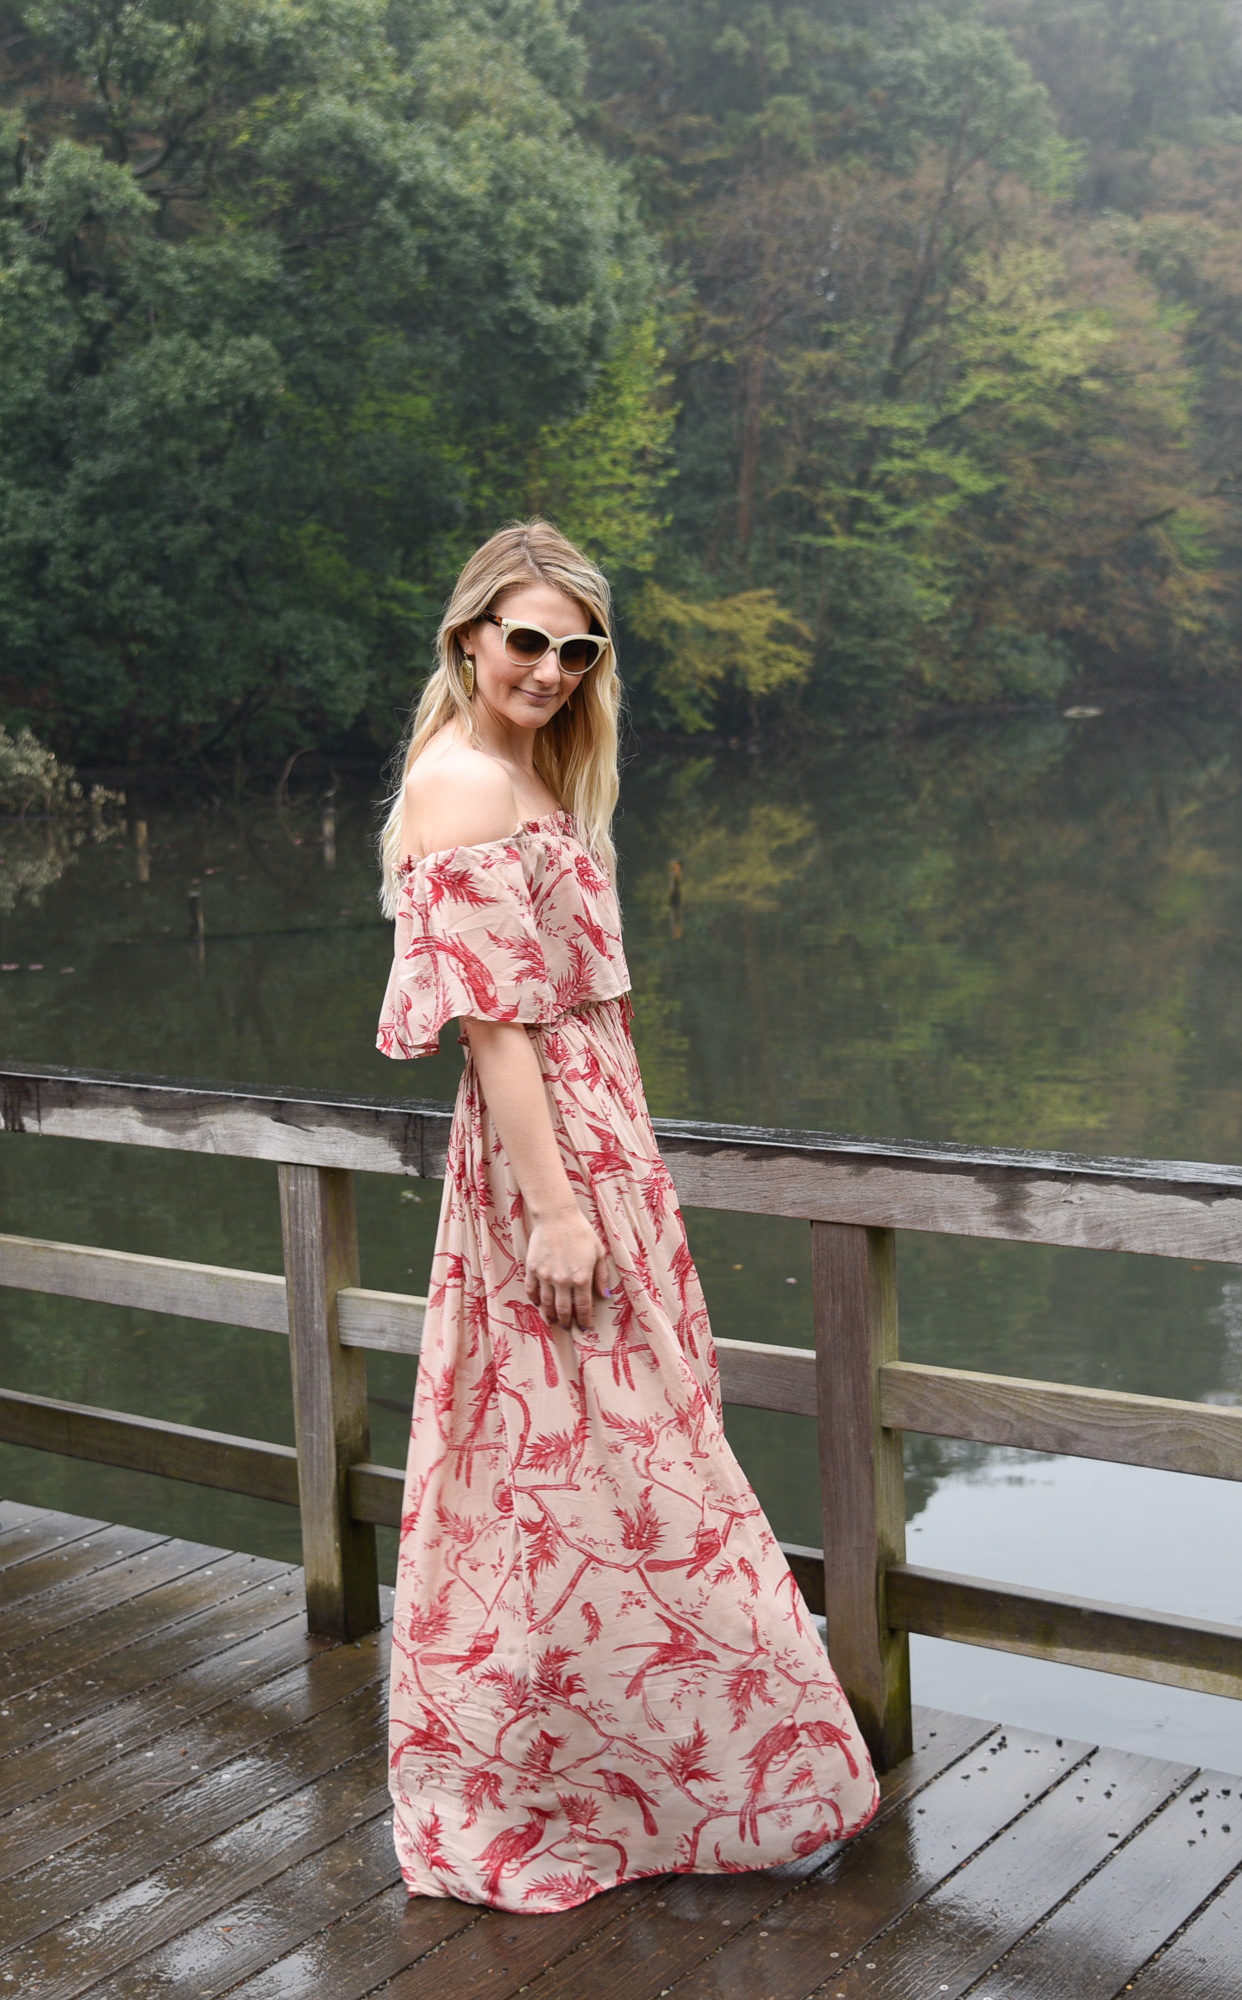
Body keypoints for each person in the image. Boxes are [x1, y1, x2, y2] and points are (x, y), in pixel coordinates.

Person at [376, 520, 879, 1912]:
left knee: (588, 1482)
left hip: (602, 1151)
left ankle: (641, 1783)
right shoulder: (465, 782)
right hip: (553, 1174)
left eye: (573, 646)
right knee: (632, 1470)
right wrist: (555, 1212)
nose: (546, 666)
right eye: (524, 639)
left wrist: (609, 1187)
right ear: (469, 637)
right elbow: (494, 1029)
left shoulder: (531, 770)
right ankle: (719, 1791)